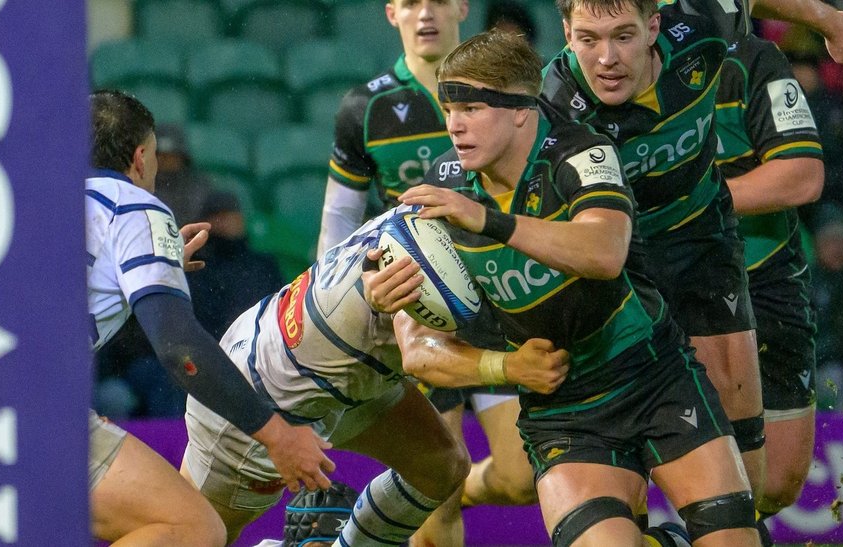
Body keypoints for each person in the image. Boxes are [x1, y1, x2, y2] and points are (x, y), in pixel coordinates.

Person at [369, 29, 760, 547]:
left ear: (521, 109)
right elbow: (417, 353)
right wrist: (502, 366)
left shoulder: (581, 154)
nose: (455, 126)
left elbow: (604, 252)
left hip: (654, 377)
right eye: (449, 109)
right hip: (563, 415)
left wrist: (489, 221)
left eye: (472, 108)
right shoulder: (441, 195)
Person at [539, 0, 843, 503]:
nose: (607, 57)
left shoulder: (711, 37)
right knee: (646, 488)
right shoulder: (552, 104)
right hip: (628, 276)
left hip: (720, 256)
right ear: (567, 34)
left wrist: (831, 20)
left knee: (768, 487)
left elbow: (804, 176)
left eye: (623, 36)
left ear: (652, 25)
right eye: (589, 39)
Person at [178, 199, 570, 546]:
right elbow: (420, 356)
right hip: (255, 404)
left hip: (322, 372)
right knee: (199, 535)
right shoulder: (416, 265)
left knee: (441, 466)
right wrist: (511, 367)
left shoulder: (440, 207)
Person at [316, 1, 540, 543]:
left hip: (496, 301)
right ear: (391, 12)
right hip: (416, 310)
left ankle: (432, 492)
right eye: (410, 2)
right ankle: (430, 495)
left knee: (521, 477)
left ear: (463, 6)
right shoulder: (364, 107)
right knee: (437, 493)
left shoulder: (505, 94)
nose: (426, 14)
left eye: (439, 0)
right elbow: (339, 224)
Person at [85, 90, 285, 545]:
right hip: (40, 404)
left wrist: (158, 262)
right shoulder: (135, 205)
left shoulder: (35, 201)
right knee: (194, 527)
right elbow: (178, 348)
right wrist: (274, 434)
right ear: (140, 158)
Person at [712, 33, 824, 544]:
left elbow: (801, 177)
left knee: (775, 484)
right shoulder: (603, 64)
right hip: (669, 285)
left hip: (767, 275)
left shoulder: (750, 59)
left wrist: (691, 202)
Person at [186, 191, 286, 337]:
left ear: (241, 218)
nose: (224, 221)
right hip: (216, 351)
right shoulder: (197, 268)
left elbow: (280, 311)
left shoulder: (264, 265)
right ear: (204, 225)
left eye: (229, 214)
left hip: (263, 345)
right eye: (217, 216)